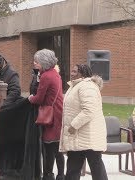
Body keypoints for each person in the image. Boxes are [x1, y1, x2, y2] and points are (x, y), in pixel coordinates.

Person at [59, 64, 108, 180]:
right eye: (72, 71)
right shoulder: (76, 86)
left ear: (83, 73)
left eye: (75, 71)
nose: (72, 73)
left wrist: (73, 125)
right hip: (77, 136)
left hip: (89, 136)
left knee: (96, 169)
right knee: (72, 169)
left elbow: (89, 110)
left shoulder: (87, 86)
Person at [28, 49, 64, 180]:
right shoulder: (55, 73)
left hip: (50, 115)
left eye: (36, 61)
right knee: (57, 146)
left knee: (49, 146)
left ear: (43, 62)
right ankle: (61, 175)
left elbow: (39, 98)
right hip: (58, 112)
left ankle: (48, 175)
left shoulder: (46, 76)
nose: (34, 63)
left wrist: (30, 98)